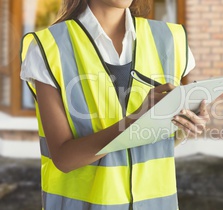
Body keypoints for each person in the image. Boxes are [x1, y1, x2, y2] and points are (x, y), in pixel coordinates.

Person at [20, 0, 210, 209]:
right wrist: (135, 121)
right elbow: (64, 158)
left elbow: (159, 139)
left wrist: (186, 124)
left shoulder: (171, 40)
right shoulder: (48, 48)